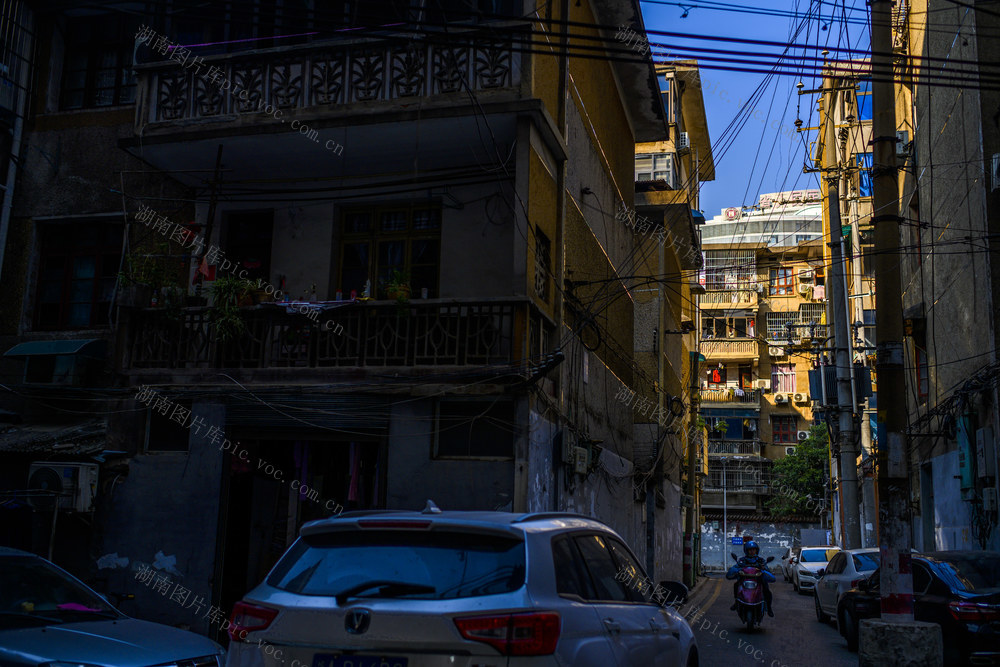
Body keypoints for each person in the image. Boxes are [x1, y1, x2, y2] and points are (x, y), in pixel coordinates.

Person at [726, 540, 775, 616]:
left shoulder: (760, 560)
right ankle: (736, 601)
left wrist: (763, 569)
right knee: (736, 585)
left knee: (767, 589)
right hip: (744, 580)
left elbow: (767, 570)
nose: (752, 551)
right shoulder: (742, 560)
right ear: (746, 551)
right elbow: (735, 568)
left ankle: (769, 608)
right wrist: (737, 570)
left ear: (756, 550)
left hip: (758, 581)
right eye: (750, 550)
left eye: (753, 549)